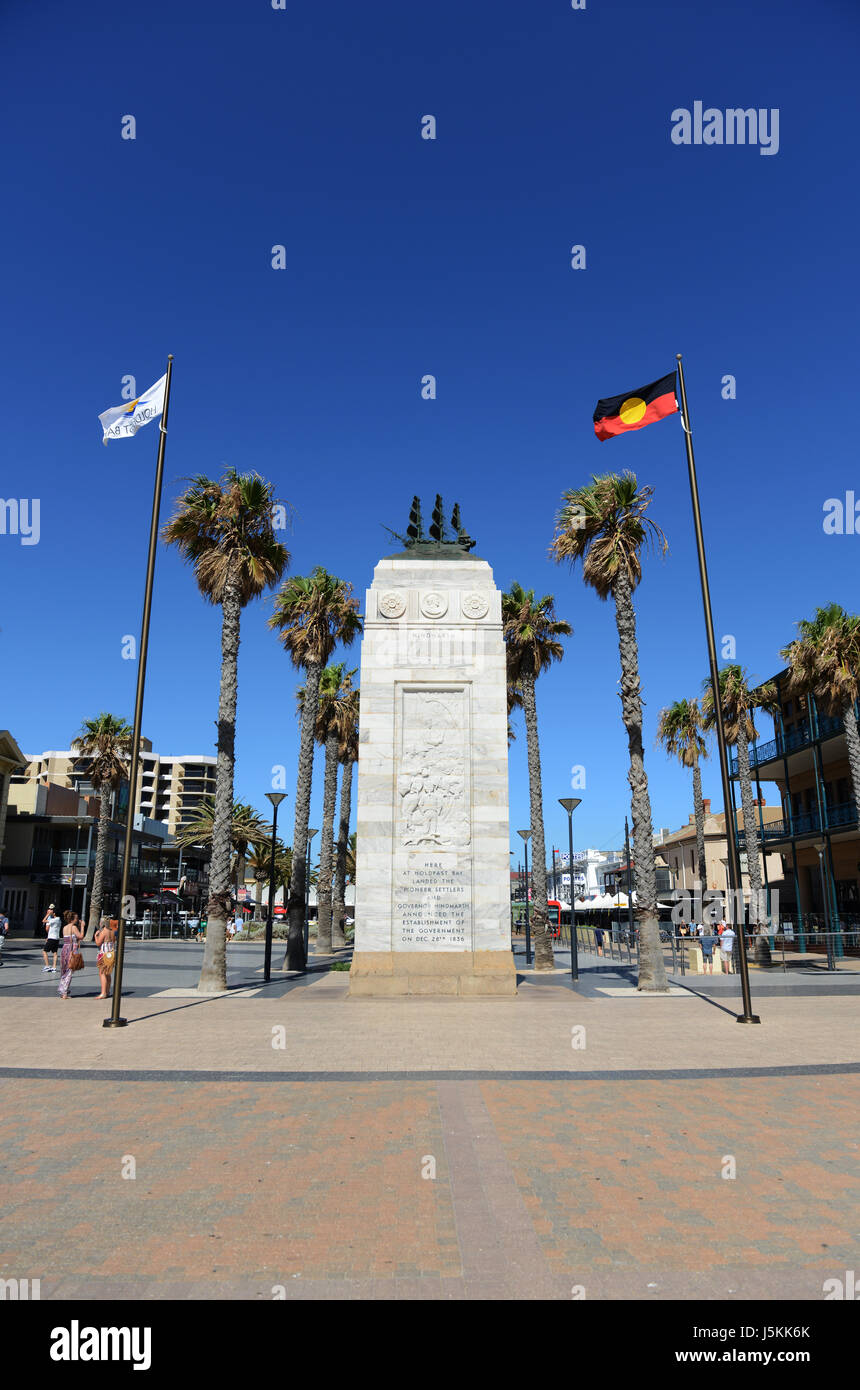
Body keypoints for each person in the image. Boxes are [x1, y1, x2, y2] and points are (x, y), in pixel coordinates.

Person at [57, 911, 84, 999]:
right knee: (69, 971)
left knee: (64, 971)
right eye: (76, 918)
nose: (77, 920)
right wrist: (82, 926)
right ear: (73, 919)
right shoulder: (74, 927)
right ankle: (65, 992)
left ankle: (62, 990)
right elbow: (81, 936)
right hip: (72, 950)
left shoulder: (64, 927)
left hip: (65, 949)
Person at [94, 916, 118, 1000]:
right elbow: (114, 941)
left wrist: (95, 936)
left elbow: (98, 943)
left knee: (102, 973)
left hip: (104, 953)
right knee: (108, 973)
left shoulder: (104, 932)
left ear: (102, 923)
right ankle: (107, 991)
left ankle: (103, 992)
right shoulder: (112, 932)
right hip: (111, 953)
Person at [42, 905, 62, 973]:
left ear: (54, 913)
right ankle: (54, 967)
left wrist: (47, 914)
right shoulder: (59, 920)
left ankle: (47, 966)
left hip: (52, 938)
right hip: (56, 938)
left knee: (44, 951)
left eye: (52, 912)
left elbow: (44, 920)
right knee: (55, 953)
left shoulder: (54, 920)